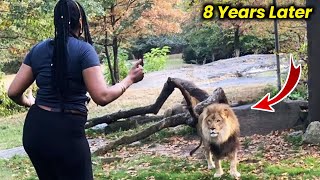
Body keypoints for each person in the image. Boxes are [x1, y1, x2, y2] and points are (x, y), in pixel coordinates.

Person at [7, 0, 144, 179]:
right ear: (80, 22)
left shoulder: (38, 50)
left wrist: (29, 103)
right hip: (66, 134)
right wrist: (130, 79)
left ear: (56, 21)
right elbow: (102, 97)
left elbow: (13, 92)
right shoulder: (84, 50)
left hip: (36, 132)